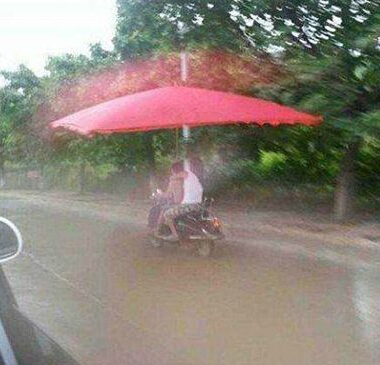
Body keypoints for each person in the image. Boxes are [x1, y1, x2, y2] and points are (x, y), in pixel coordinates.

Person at [155, 160, 203, 241]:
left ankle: (174, 235)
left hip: (189, 205)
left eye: (172, 171)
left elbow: (168, 194)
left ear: (174, 171)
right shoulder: (190, 176)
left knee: (167, 214)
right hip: (198, 203)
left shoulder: (182, 177)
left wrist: (159, 193)